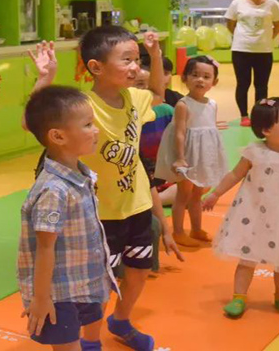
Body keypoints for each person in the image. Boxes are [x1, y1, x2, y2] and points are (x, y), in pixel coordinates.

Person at [29, 27, 183, 351]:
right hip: (101, 214)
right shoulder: (84, 105)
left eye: (137, 59)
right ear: (96, 67)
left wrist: (155, 55)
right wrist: (44, 79)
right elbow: (36, 121)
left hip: (137, 204)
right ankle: (90, 340)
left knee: (139, 269)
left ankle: (121, 320)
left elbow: (158, 92)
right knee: (99, 286)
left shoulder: (134, 98)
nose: (135, 67)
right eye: (126, 60)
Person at [19, 86, 117, 351]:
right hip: (58, 294)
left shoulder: (81, 176)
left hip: (79, 284)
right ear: (58, 136)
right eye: (87, 125)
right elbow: (45, 247)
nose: (95, 130)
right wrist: (41, 298)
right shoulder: (54, 189)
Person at [202, 98, 279, 319]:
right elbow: (235, 174)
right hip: (254, 214)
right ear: (266, 130)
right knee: (248, 257)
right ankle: (239, 296)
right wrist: (215, 193)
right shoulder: (255, 152)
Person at [155, 56, 229, 248]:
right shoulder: (183, 104)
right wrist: (180, 158)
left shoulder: (212, 104)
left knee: (197, 194)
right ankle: (178, 232)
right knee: (183, 195)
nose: (200, 80)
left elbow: (209, 132)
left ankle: (196, 229)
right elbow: (179, 134)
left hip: (202, 156)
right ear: (184, 78)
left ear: (214, 82)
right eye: (195, 75)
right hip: (188, 156)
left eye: (206, 76)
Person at [225, 0, 279, 127]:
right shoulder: (237, 3)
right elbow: (230, 24)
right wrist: (241, 37)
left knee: (261, 86)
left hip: (264, 51)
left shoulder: (273, 4)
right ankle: (244, 116)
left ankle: (259, 116)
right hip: (241, 50)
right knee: (243, 84)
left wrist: (267, 38)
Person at [133, 62, 176, 271]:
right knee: (151, 224)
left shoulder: (165, 110)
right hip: (135, 189)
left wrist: (168, 232)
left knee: (194, 185)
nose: (143, 90)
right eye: (138, 84)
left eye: (146, 84)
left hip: (157, 178)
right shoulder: (130, 122)